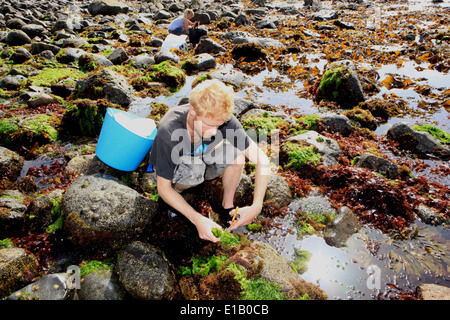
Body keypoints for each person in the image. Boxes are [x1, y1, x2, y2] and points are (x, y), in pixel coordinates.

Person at [149, 79, 271, 243]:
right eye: (208, 124)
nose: (214, 131)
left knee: (237, 155)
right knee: (195, 172)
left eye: (219, 125)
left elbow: (262, 160)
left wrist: (257, 206)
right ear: (193, 110)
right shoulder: (169, 130)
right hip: (176, 167)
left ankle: (227, 206)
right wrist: (197, 219)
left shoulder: (223, 119)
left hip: (203, 154)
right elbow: (162, 188)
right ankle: (177, 196)